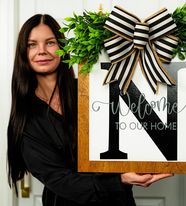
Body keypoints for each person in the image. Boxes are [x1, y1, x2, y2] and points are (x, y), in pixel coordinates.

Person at [7, 14, 173, 206]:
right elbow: (58, 178)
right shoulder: (25, 116)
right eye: (32, 44)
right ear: (23, 52)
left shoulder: (95, 90)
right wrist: (119, 180)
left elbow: (131, 131)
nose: (42, 51)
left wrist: (157, 160)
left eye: (50, 43)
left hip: (117, 201)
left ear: (62, 47)